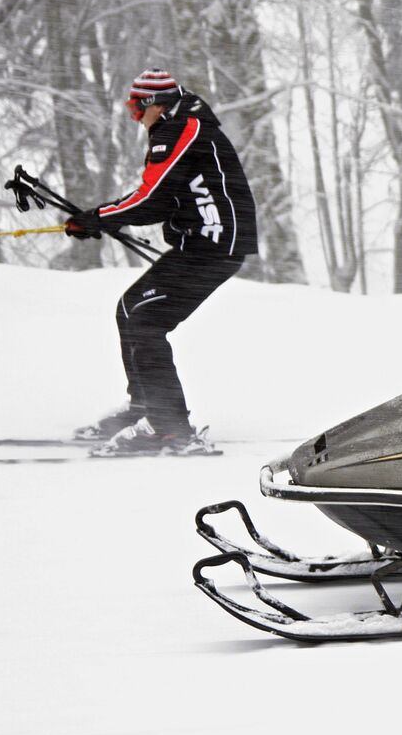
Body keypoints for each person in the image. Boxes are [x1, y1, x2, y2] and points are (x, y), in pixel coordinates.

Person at [66, 68, 259, 456]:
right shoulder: (182, 126)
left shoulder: (181, 129)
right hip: (203, 244)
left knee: (146, 322)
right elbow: (167, 197)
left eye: (137, 109)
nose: (135, 118)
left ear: (155, 104)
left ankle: (169, 428)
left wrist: (98, 217)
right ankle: (144, 406)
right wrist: (101, 219)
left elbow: (151, 197)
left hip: (213, 246)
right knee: (129, 309)